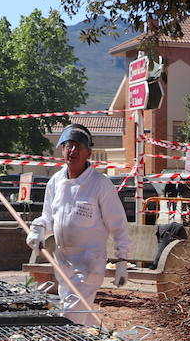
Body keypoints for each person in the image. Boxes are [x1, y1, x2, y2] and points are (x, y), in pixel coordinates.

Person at [27, 124, 130, 324]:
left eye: (78, 147)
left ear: (88, 152)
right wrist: (37, 230)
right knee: (82, 317)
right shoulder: (55, 182)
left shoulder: (100, 184)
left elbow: (118, 225)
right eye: (68, 146)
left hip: (89, 264)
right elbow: (48, 216)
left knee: (70, 317)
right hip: (64, 262)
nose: (72, 151)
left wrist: (122, 262)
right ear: (62, 150)